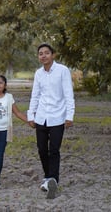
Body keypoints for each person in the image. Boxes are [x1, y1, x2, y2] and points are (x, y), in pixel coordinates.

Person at [27, 43, 75, 199]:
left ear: (53, 55)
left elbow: (68, 94)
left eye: (47, 53)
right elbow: (35, 95)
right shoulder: (38, 73)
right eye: (40, 53)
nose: (43, 56)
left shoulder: (62, 71)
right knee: (42, 149)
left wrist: (70, 115)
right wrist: (31, 115)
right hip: (41, 117)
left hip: (58, 117)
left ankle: (53, 179)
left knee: (54, 150)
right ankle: (48, 177)